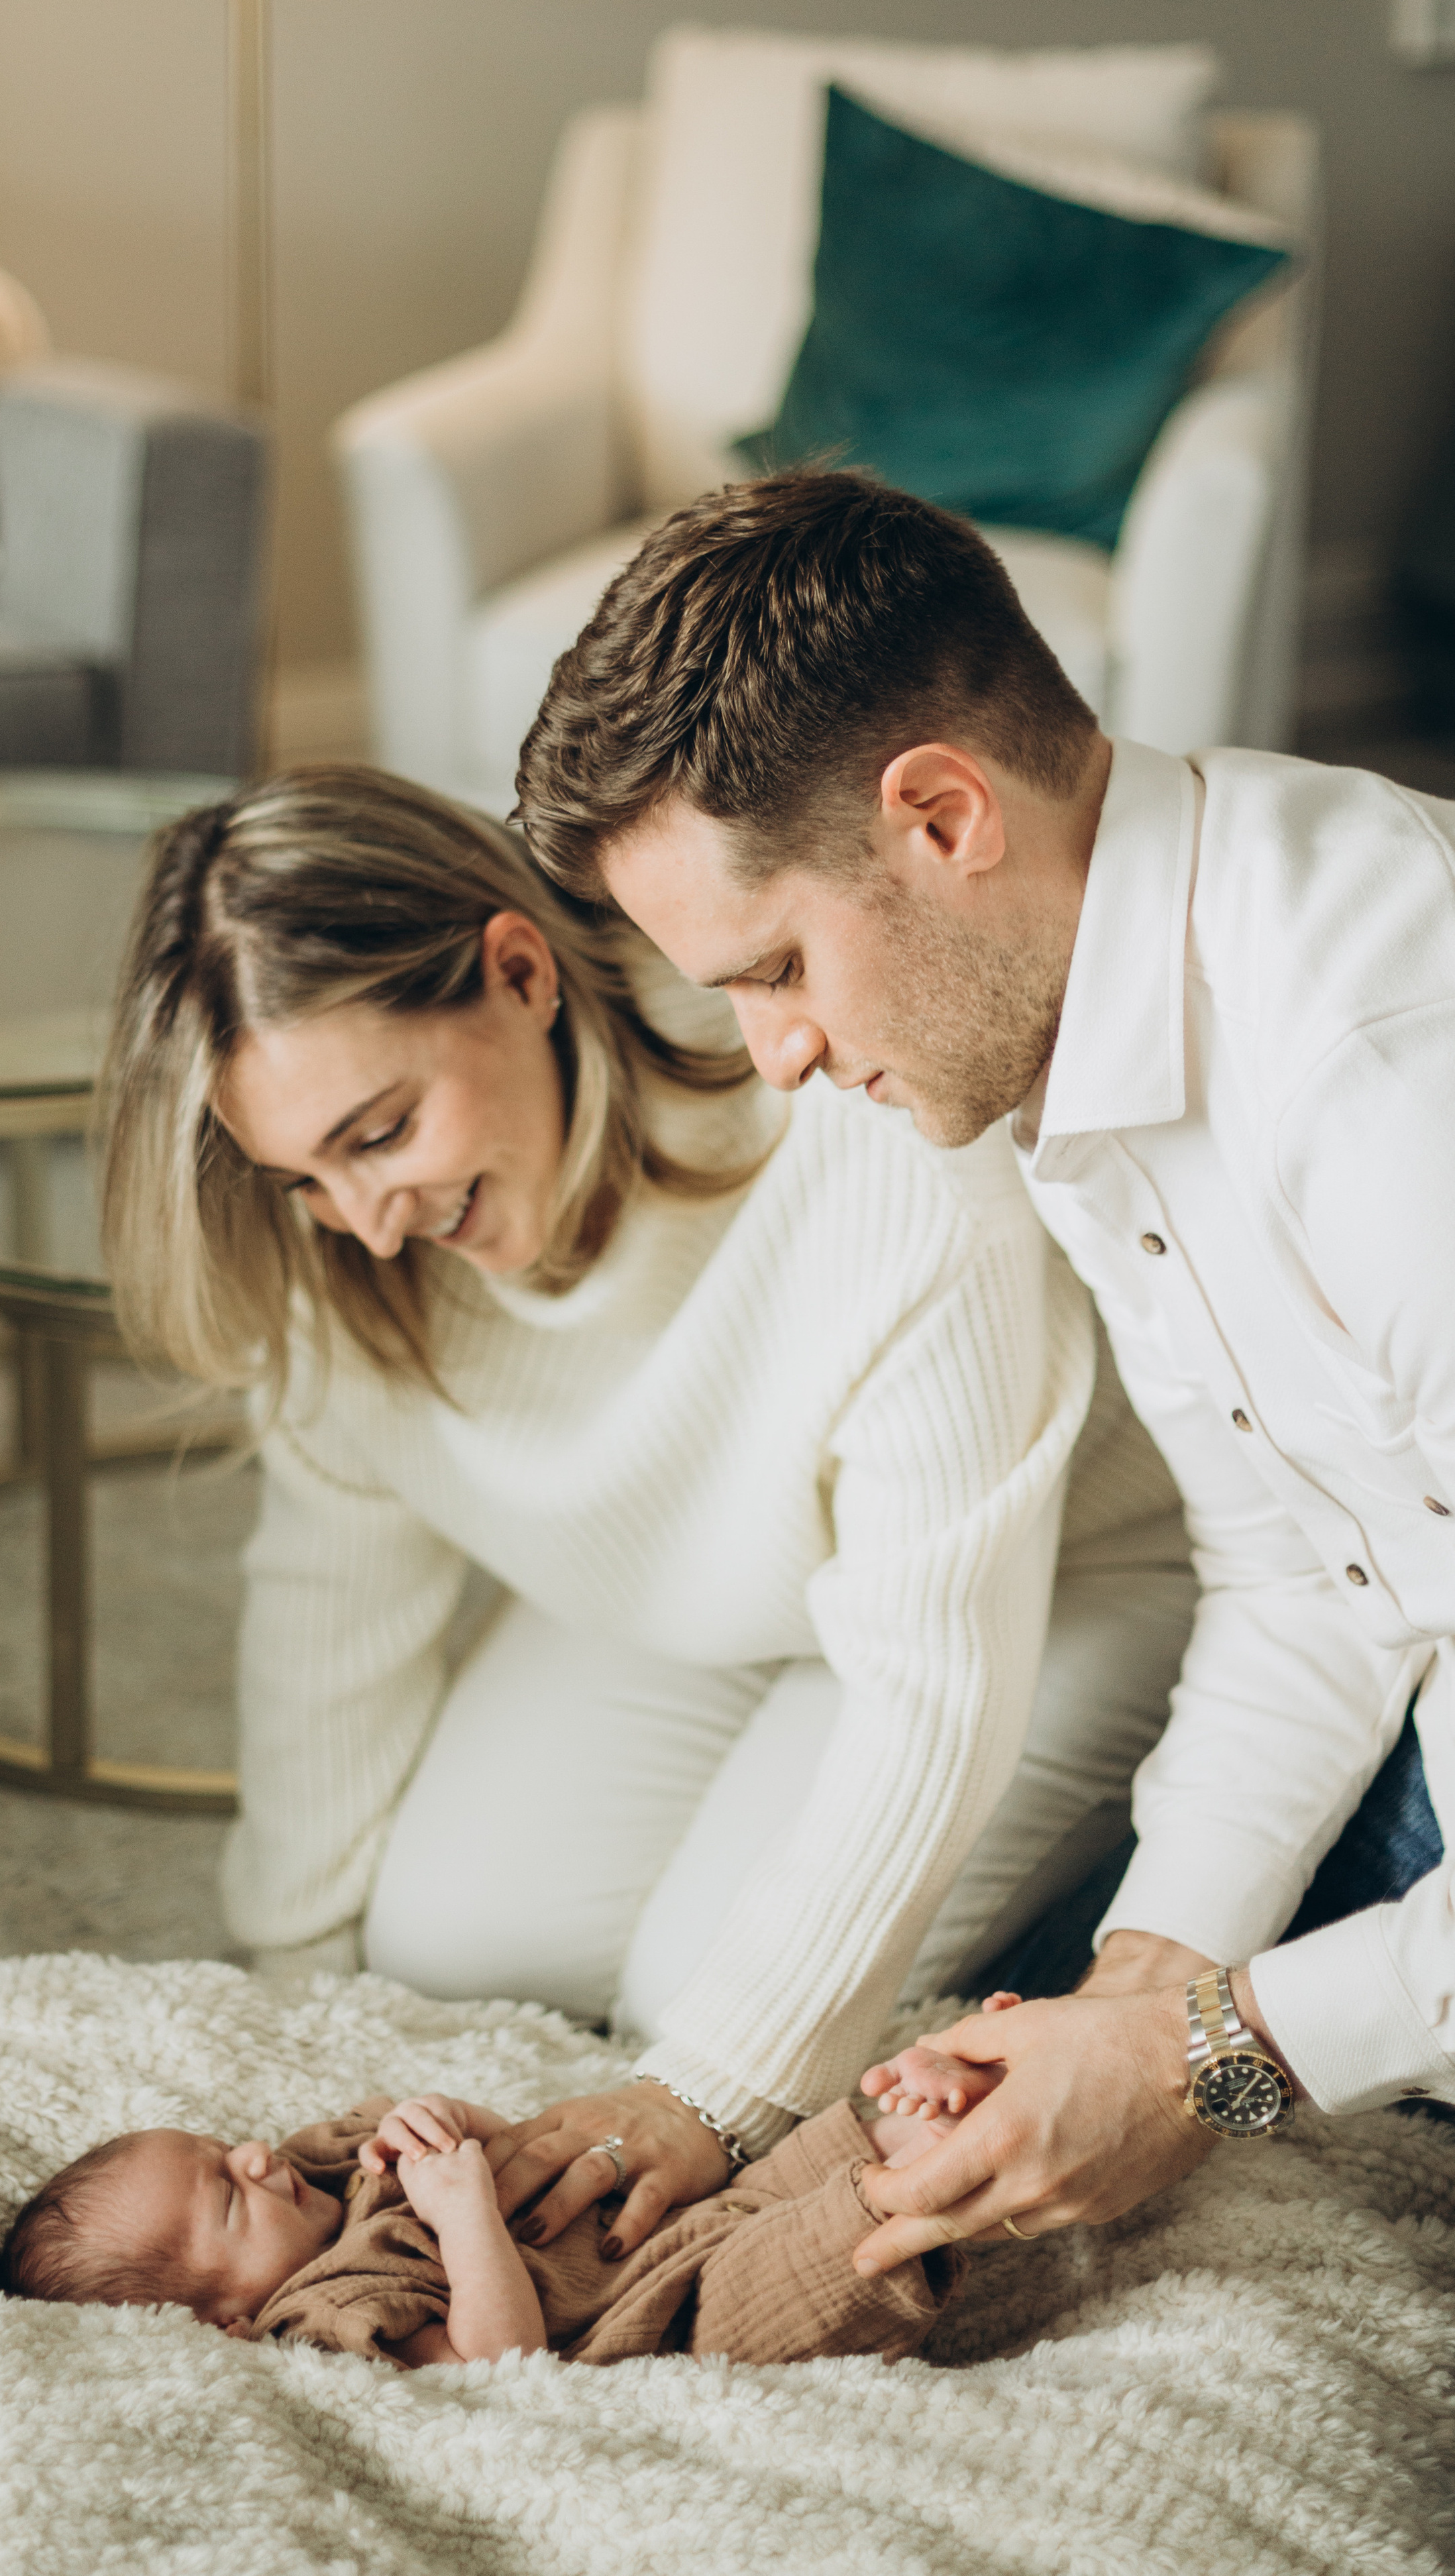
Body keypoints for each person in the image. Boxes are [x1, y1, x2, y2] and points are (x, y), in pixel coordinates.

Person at [513, 464, 1454, 2279]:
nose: (773, 1056)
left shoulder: (1384, 1068)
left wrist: (1214, 2068)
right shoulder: (1069, 1025)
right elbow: (1303, 1570)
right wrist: (1149, 1988)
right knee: (1039, 2024)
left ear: (944, 816)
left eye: (777, 966)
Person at [99, 764, 1188, 2267]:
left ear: (519, 971)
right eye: (301, 1178)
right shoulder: (347, 1261)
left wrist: (712, 2087)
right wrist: (295, 1995)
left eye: (381, 1131)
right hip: (716, 1589)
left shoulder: (852, 1132)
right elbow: (327, 1618)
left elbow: (930, 1693)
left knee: (702, 2002)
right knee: (450, 1945)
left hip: (1048, 1578)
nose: (364, 1221)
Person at [0, 2074, 988, 2365]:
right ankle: (977, 2151)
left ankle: (956, 2100)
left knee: (855, 2128)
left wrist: (461, 2131)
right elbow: (495, 2364)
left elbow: (525, 2169)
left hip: (682, 2215)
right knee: (861, 2227)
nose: (254, 2160)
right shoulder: (324, 2317)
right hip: (674, 2316)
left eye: (220, 2150)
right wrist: (462, 2214)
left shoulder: (330, 2168)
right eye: (225, 2196)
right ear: (224, 2320)